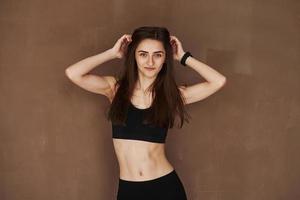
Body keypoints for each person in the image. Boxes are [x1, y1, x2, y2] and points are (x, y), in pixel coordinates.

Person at [65, 26, 226, 200]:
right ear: (133, 55)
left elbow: (218, 81)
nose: (150, 62)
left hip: (164, 188)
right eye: (143, 54)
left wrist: (183, 57)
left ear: (166, 58)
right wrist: (112, 53)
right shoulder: (115, 89)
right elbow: (73, 73)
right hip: (128, 189)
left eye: (158, 54)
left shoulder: (171, 95)